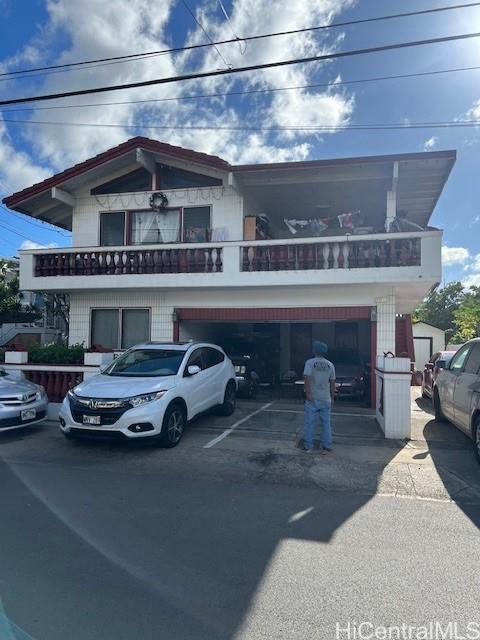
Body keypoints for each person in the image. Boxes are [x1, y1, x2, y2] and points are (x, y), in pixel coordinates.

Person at [303, 341, 336, 454]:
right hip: (326, 398)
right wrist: (332, 396)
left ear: (315, 351)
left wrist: (308, 394)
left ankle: (308, 446)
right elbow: (332, 382)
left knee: (309, 422)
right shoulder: (330, 364)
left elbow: (307, 378)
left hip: (313, 398)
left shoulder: (310, 363)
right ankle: (326, 445)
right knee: (326, 423)